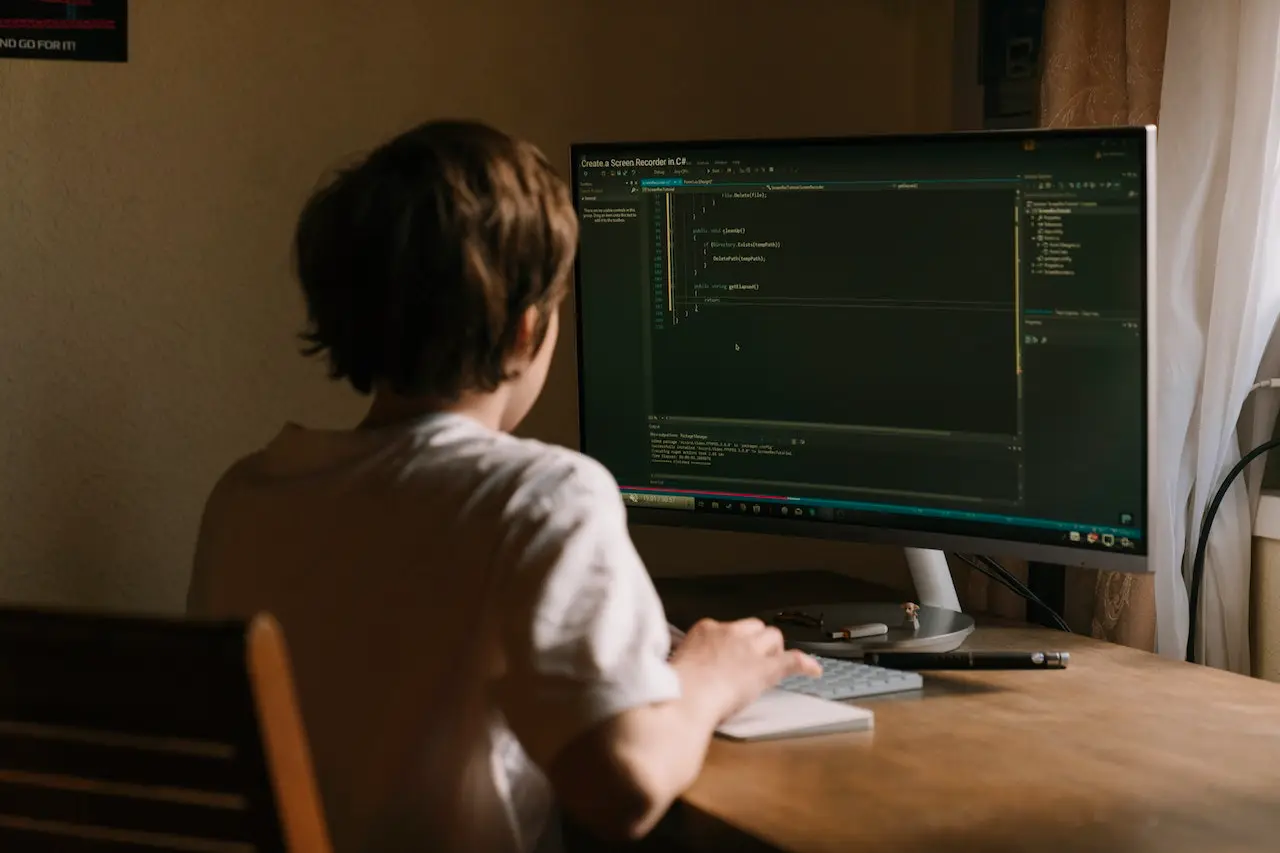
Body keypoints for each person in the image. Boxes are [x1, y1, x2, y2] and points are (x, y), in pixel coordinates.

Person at [186, 119, 820, 853]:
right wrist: (709, 677)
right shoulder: (541, 496)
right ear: (527, 329)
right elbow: (622, 788)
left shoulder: (246, 496)